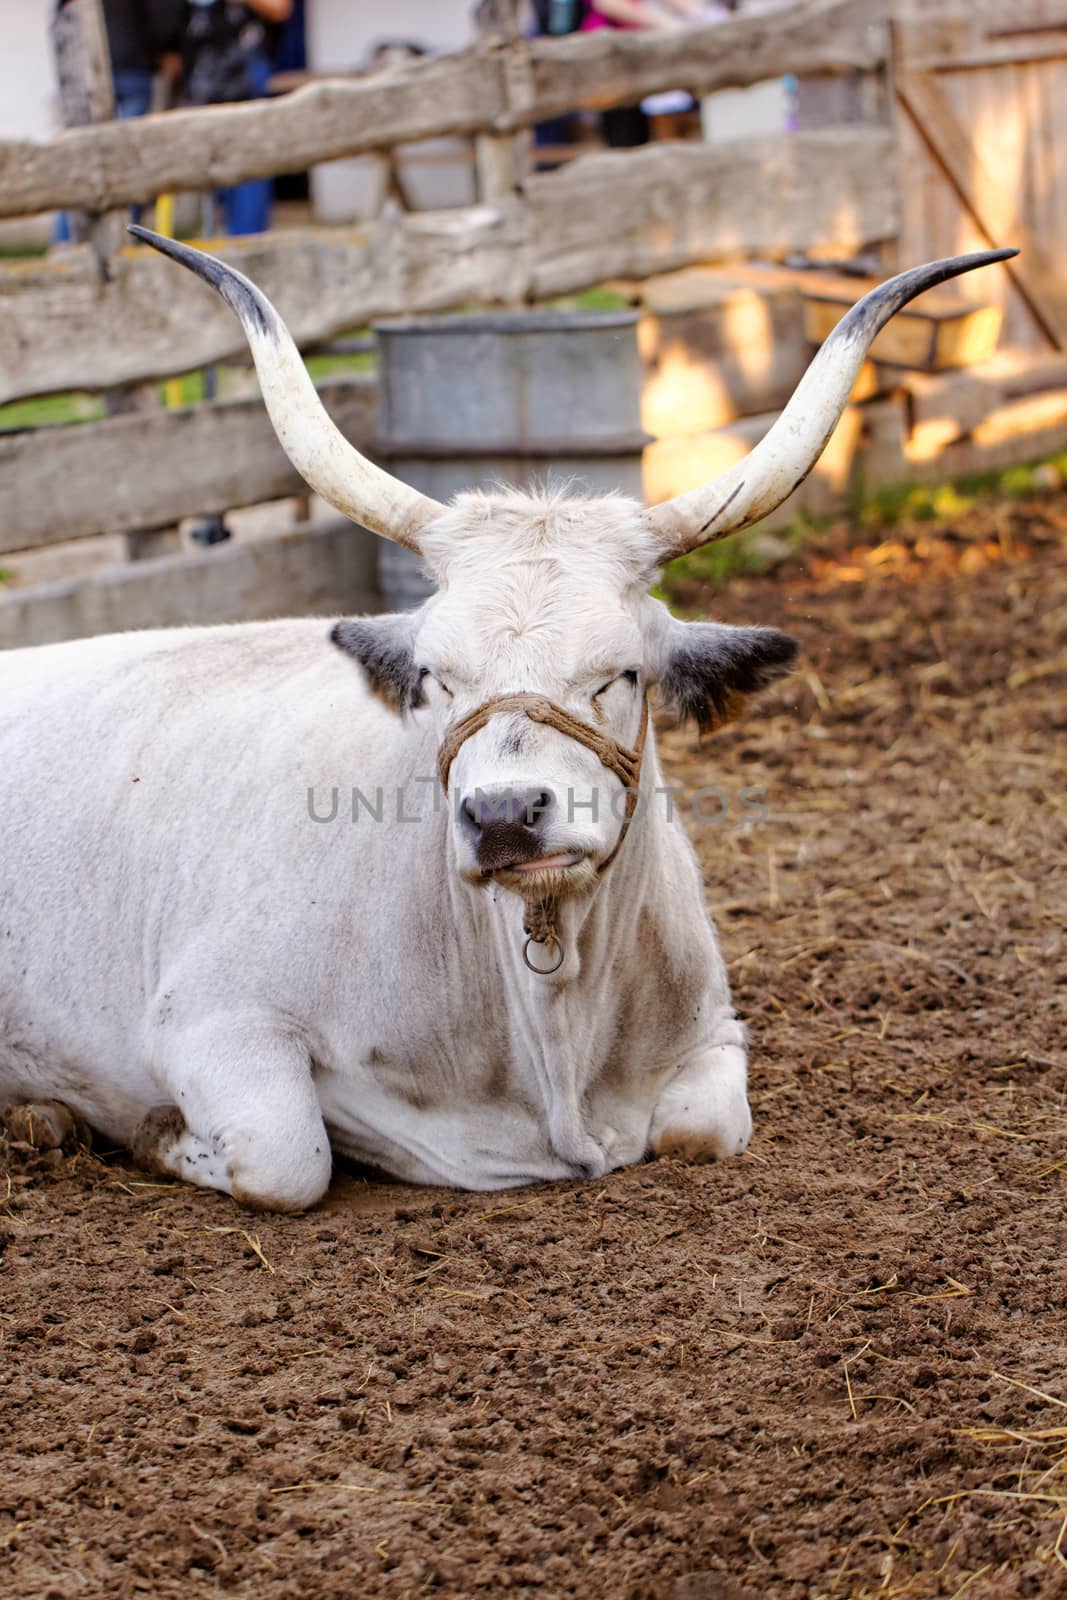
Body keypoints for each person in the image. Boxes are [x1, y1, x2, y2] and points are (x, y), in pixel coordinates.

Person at [181, 0, 293, 236]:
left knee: (249, 172)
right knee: (211, 178)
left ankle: (248, 245)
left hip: (245, 81)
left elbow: (280, 7)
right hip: (205, 81)